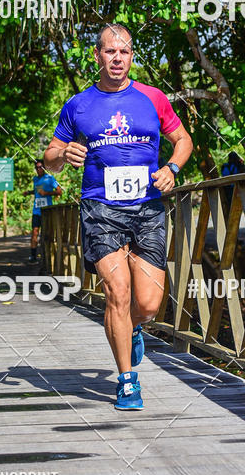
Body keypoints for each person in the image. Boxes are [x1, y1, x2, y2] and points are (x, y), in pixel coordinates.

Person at [43, 23, 193, 410]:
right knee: (118, 294)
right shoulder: (79, 104)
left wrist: (172, 169)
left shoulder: (153, 97)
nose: (117, 58)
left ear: (131, 57)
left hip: (146, 208)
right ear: (98, 56)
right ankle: (127, 381)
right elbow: (50, 161)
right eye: (110, 51)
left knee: (148, 304)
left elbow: (183, 140)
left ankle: (135, 328)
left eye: (124, 52)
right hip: (100, 209)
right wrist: (63, 156)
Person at [30, 159, 62, 262]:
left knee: (46, 234)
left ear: (44, 168)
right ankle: (33, 256)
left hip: (47, 211)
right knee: (35, 232)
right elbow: (37, 191)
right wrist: (29, 192)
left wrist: (47, 193)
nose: (39, 169)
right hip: (36, 210)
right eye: (37, 167)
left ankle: (47, 256)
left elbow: (59, 191)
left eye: (41, 167)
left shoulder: (50, 178)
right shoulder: (35, 179)